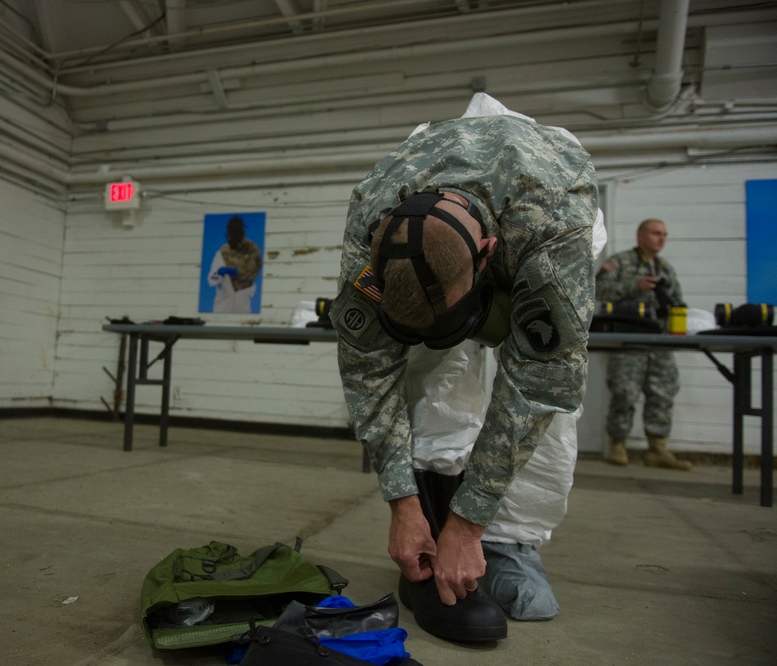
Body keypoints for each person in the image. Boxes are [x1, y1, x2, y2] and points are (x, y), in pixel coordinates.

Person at [329, 94, 600, 643]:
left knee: (547, 411)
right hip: (443, 201)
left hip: (535, 204)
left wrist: (470, 523)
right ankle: (432, 515)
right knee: (434, 379)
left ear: (488, 253)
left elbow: (541, 385)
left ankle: (509, 542)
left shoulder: (554, 224)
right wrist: (402, 502)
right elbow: (367, 373)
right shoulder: (370, 222)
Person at [596, 219, 691, 470]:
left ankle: (657, 449)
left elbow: (677, 302)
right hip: (628, 340)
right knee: (624, 392)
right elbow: (597, 289)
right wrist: (633, 285)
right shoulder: (620, 262)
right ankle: (618, 444)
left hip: (659, 340)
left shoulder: (665, 269)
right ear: (640, 236)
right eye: (656, 233)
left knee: (663, 392)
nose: (661, 238)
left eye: (664, 234)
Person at [206, 215, 262, 313]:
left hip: (242, 295)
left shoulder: (252, 248)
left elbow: (252, 273)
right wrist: (217, 274)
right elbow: (212, 279)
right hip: (223, 299)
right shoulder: (223, 250)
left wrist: (234, 272)